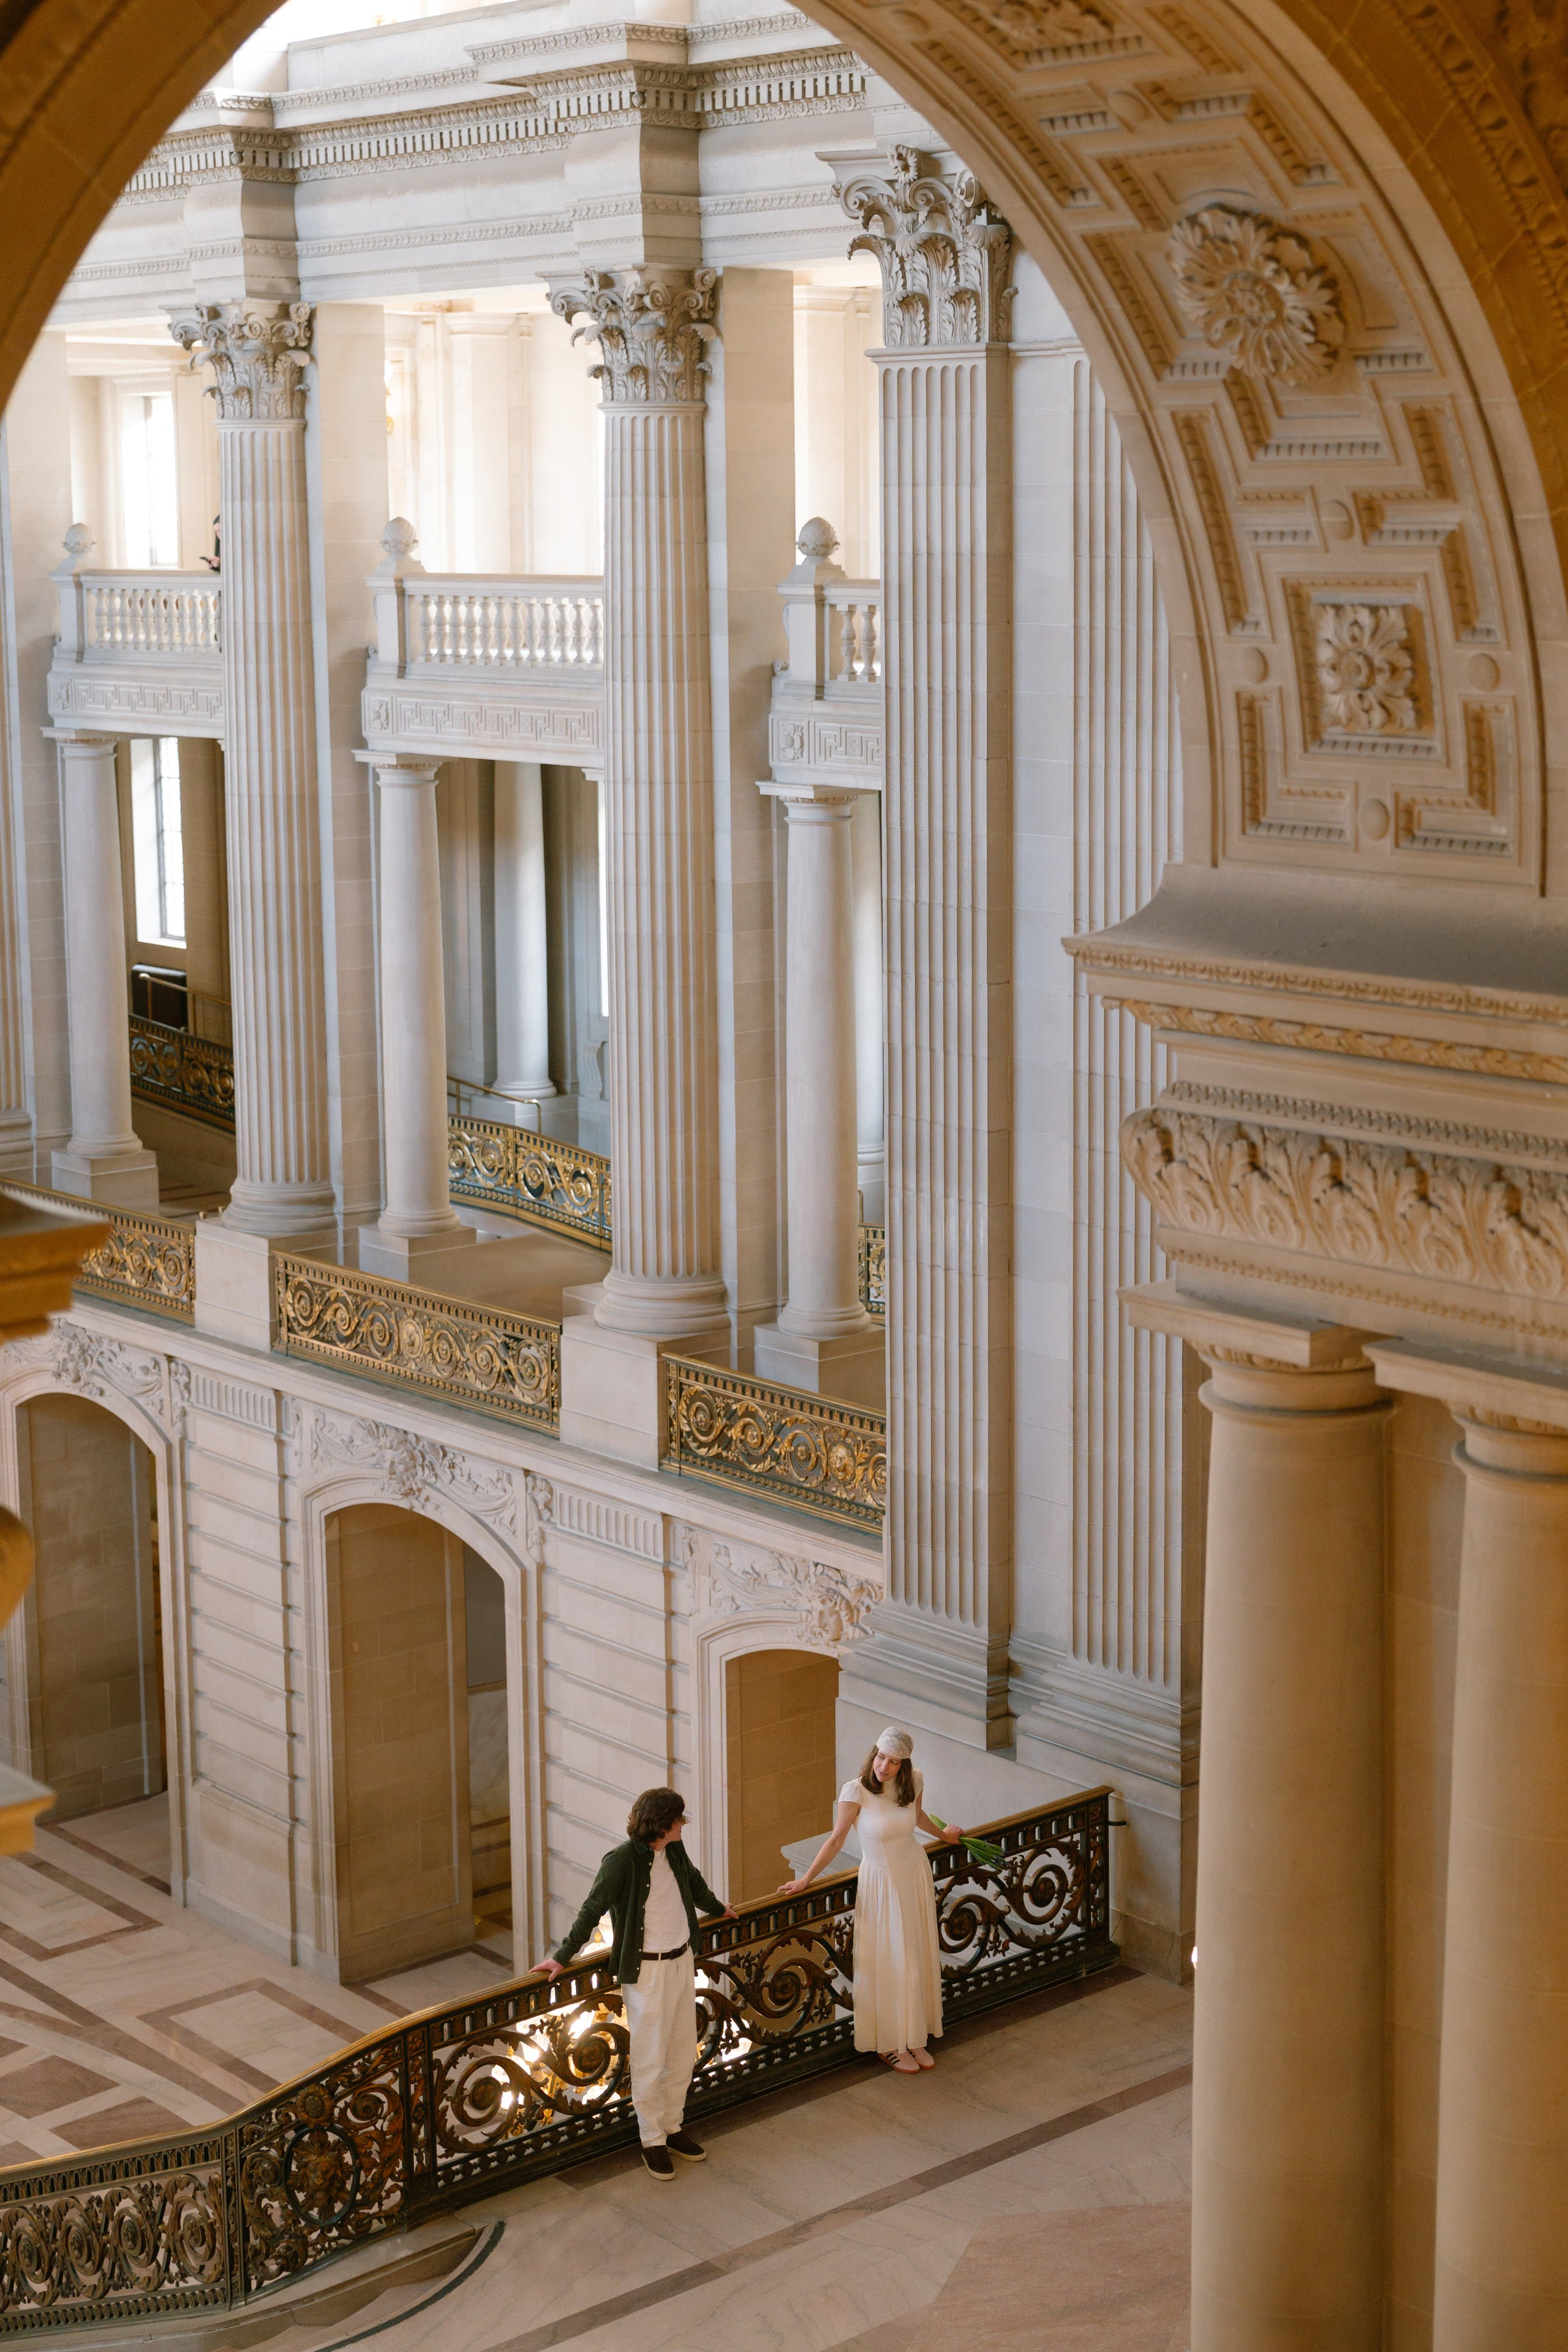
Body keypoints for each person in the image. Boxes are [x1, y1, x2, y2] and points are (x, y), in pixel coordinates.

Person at [532, 1786, 737, 2180]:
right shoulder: (621, 1862)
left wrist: (718, 1908)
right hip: (647, 1972)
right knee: (650, 2055)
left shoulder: (674, 1851)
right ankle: (651, 2139)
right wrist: (562, 1956)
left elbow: (692, 1883)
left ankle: (673, 2127)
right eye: (678, 1820)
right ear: (661, 1825)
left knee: (681, 2049)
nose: (683, 1825)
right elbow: (591, 1909)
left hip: (682, 1959)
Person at [778, 1725, 962, 2073]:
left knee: (916, 1953)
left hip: (913, 1873)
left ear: (904, 1766)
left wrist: (946, 1837)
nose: (885, 1767)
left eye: (894, 1762)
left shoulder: (915, 1782)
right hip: (881, 1882)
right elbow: (835, 1840)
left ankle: (915, 2035)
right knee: (891, 1959)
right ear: (873, 1754)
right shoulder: (856, 1791)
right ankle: (890, 2043)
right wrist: (805, 1880)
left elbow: (918, 1817)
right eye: (881, 1758)